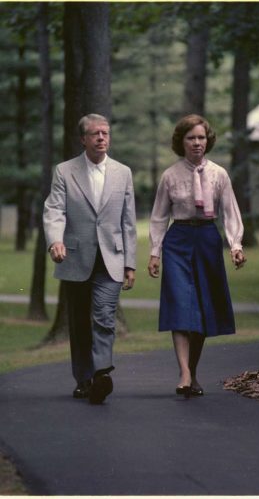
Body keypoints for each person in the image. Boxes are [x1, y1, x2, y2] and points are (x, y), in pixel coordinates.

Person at [148, 114, 246, 398]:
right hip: (178, 239)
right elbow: (158, 217)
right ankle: (184, 372)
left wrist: (236, 246)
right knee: (180, 304)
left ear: (208, 140)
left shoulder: (218, 174)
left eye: (201, 137)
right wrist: (155, 252)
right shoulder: (170, 175)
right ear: (181, 141)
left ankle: (193, 370)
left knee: (203, 307)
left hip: (206, 239)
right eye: (191, 138)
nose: (197, 143)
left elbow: (230, 212)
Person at [44, 114, 136, 404]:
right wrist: (55, 240)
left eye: (105, 133)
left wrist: (130, 263)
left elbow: (128, 222)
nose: (101, 138)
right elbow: (55, 210)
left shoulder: (123, 173)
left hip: (112, 258)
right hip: (75, 256)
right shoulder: (65, 171)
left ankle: (101, 375)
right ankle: (83, 379)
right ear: (83, 139)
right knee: (80, 322)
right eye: (95, 133)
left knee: (105, 317)